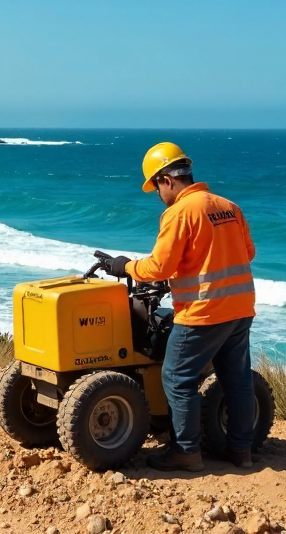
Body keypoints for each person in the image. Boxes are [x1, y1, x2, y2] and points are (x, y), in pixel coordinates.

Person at [102, 142, 257, 472]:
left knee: (176, 378)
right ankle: (241, 452)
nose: (157, 195)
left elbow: (159, 266)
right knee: (237, 379)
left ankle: (186, 452)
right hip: (241, 309)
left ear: (165, 180)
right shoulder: (230, 207)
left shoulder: (180, 213)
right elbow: (248, 253)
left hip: (202, 313)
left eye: (155, 187)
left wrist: (125, 267)